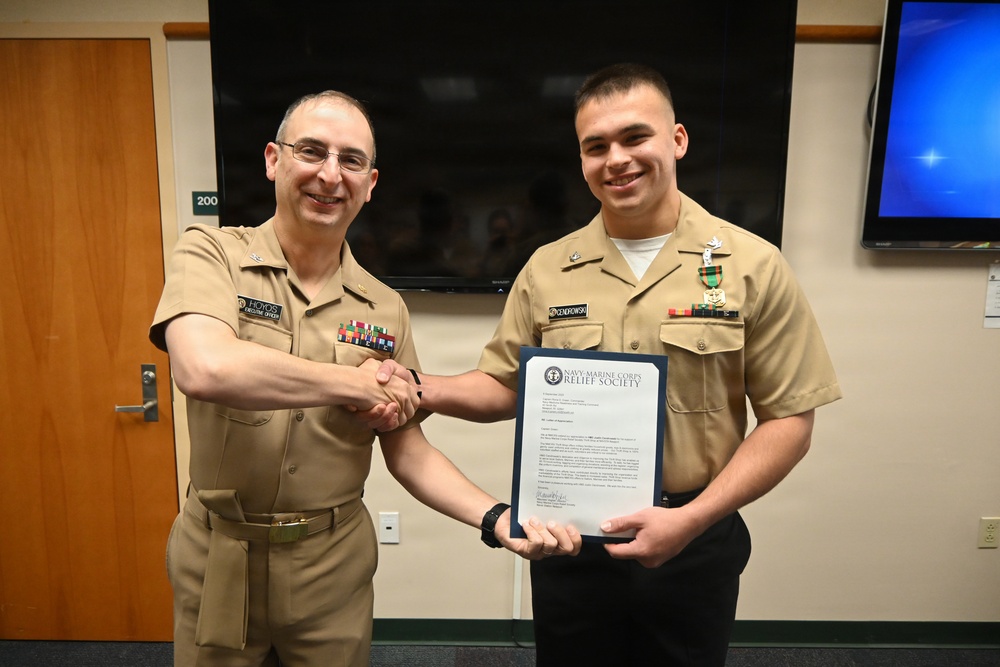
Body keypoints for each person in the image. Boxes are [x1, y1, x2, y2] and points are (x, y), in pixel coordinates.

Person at [367, 64, 843, 665]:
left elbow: (790, 421)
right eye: (596, 147)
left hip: (693, 539)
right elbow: (505, 386)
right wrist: (418, 387)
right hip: (570, 544)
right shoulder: (547, 269)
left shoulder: (753, 266)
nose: (616, 159)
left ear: (677, 140)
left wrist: (692, 520)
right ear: (582, 160)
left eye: (634, 137)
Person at [149, 90, 580, 667]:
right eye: (311, 151)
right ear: (274, 160)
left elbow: (409, 452)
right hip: (218, 556)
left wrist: (495, 516)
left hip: (330, 567)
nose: (331, 175)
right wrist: (355, 383)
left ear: (370, 183)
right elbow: (205, 368)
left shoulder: (384, 308)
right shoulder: (211, 254)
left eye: (351, 160)